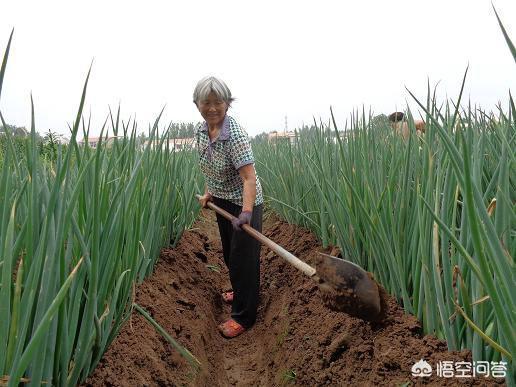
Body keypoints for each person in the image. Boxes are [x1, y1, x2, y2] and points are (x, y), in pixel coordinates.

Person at [193, 76, 264, 338]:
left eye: (218, 102)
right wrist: (209, 193)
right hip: (222, 201)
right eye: (206, 102)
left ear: (227, 104)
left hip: (244, 202)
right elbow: (211, 167)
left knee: (244, 260)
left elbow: (248, 178)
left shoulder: (234, 135)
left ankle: (244, 316)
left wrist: (246, 212)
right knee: (230, 256)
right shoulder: (201, 131)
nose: (212, 108)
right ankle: (240, 290)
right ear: (197, 104)